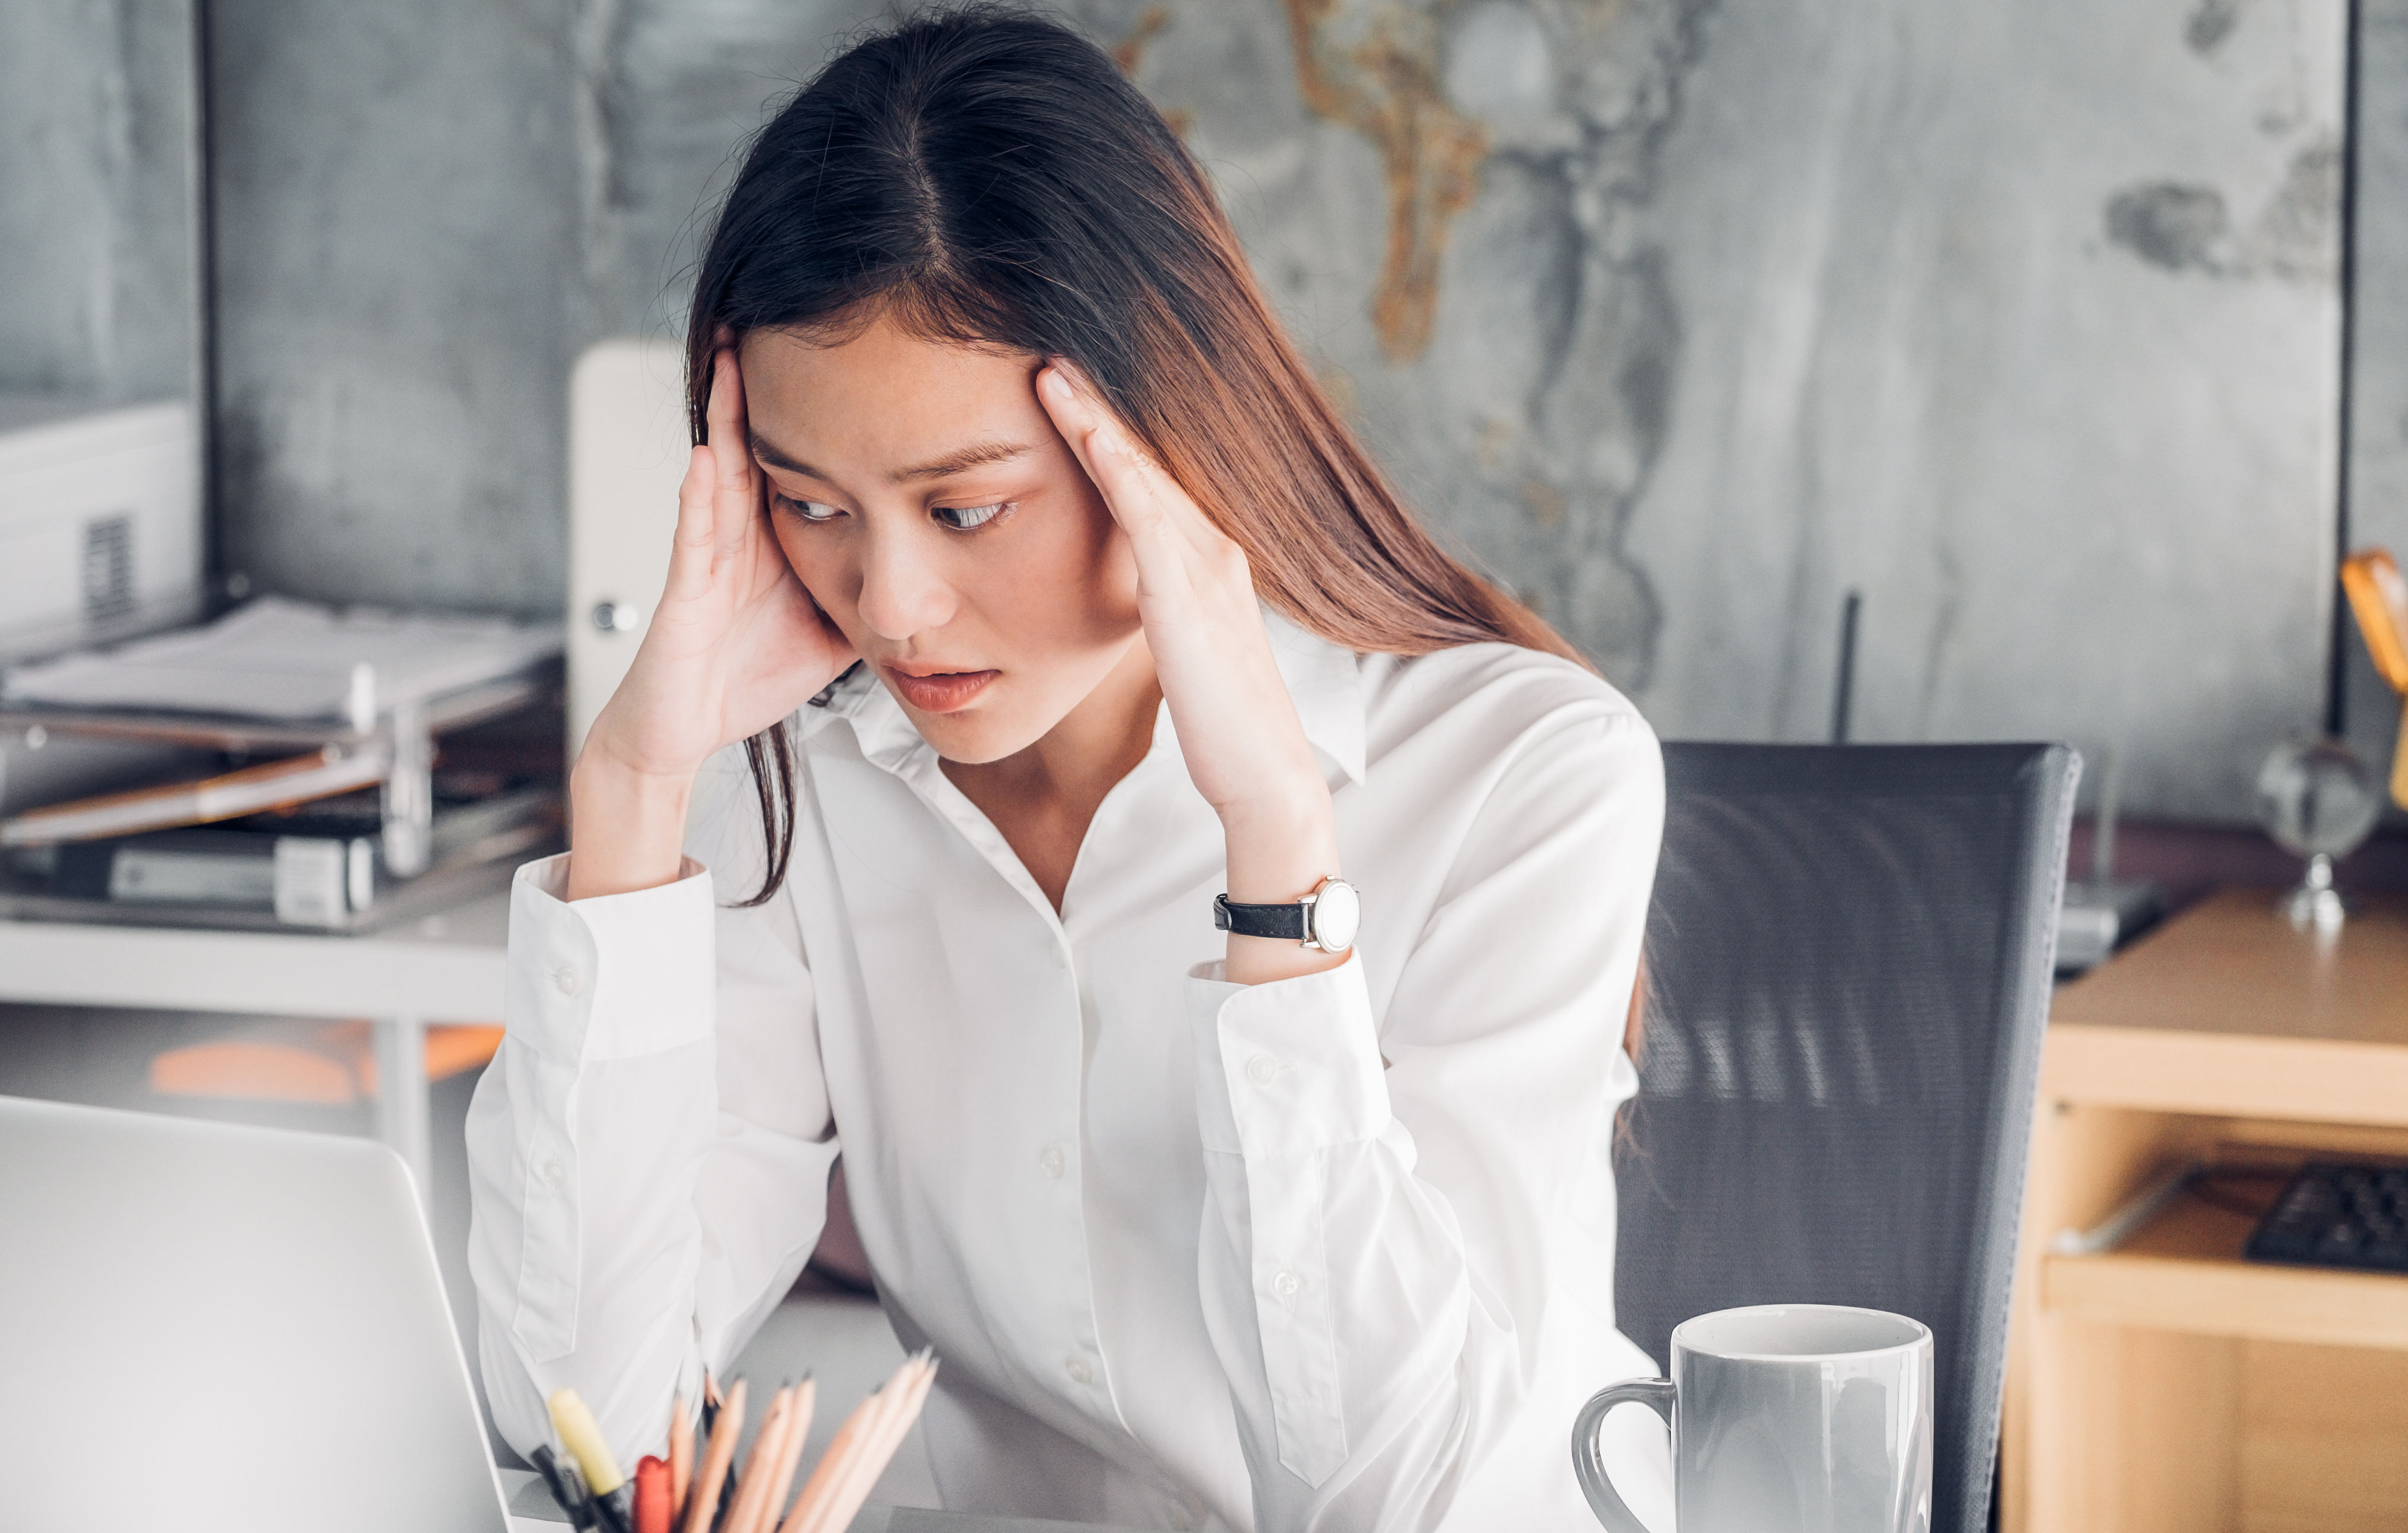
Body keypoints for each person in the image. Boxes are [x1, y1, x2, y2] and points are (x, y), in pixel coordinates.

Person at [465, 8, 1673, 1529]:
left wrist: (1280, 865)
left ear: (1162, 436)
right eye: (809, 502)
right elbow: (581, 1424)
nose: (888, 606)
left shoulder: (1527, 777)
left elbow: (1414, 1497)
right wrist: (632, 792)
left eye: (964, 509)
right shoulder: (804, 781)